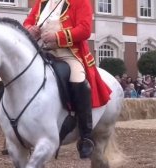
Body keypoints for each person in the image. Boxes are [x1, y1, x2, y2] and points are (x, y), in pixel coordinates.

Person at [24, 0, 112, 158]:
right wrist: (30, 30)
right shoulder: (42, 2)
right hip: (41, 52)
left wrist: (57, 36)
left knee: (78, 81)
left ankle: (86, 136)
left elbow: (85, 30)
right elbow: (29, 21)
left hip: (67, 54)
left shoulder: (80, 2)